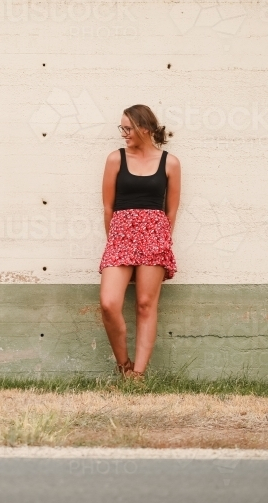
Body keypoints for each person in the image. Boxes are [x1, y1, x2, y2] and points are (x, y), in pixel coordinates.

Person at [99, 104, 180, 379]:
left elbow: (171, 211)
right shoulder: (115, 159)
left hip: (155, 235)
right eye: (122, 128)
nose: (124, 133)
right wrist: (114, 240)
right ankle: (124, 366)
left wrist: (162, 240)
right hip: (121, 234)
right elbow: (108, 208)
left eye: (128, 128)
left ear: (145, 128)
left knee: (146, 304)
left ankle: (138, 375)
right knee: (109, 303)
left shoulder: (170, 163)